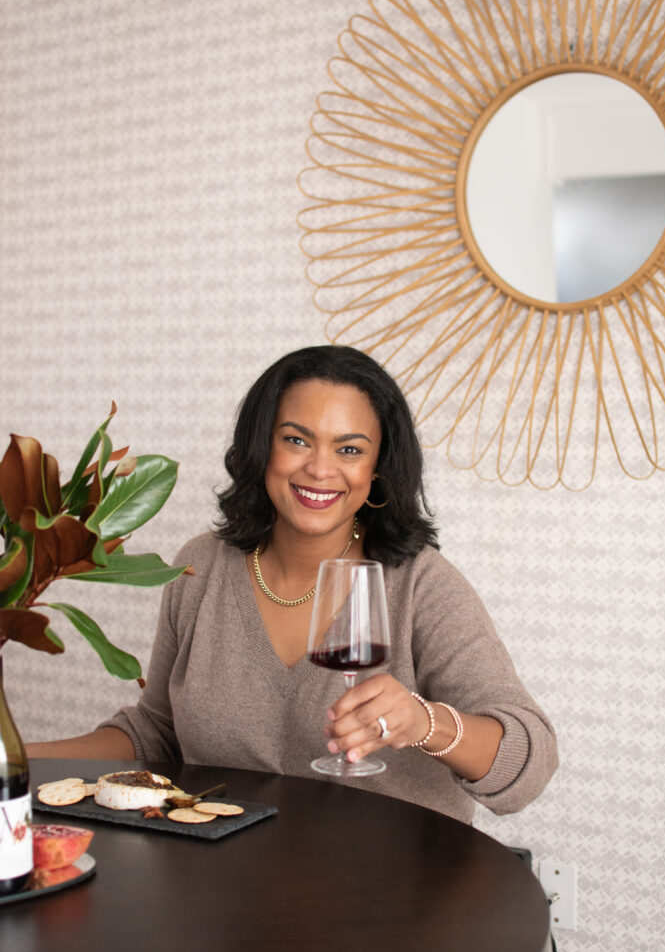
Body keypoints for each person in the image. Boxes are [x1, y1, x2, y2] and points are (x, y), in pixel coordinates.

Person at [29, 345, 558, 823]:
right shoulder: (202, 567)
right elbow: (158, 733)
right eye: (297, 440)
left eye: (349, 449)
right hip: (229, 893)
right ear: (262, 449)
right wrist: (17, 757)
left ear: (378, 467)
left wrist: (424, 723)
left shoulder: (420, 584)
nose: (320, 469)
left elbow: (528, 765)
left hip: (395, 902)